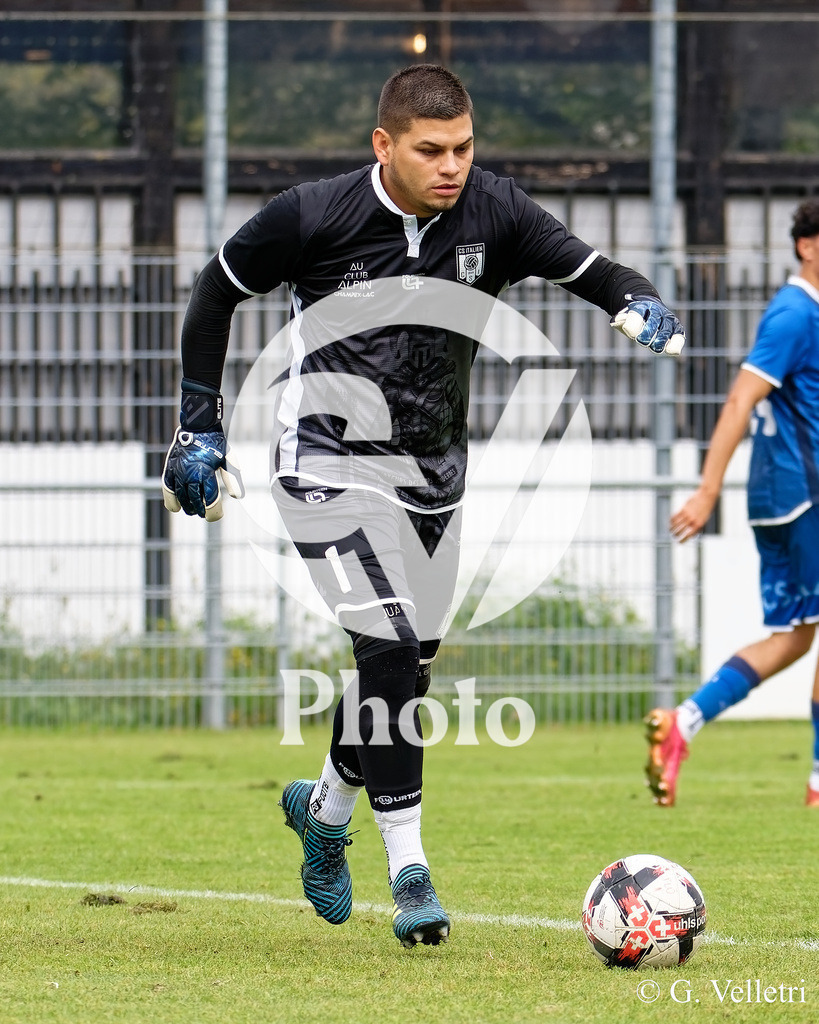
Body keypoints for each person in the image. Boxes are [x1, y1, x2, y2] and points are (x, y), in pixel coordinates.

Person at [161, 64, 686, 947]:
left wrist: (638, 300)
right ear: (384, 146)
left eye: (464, 147)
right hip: (322, 459)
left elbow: (590, 269)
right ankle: (409, 869)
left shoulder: (496, 211)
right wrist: (196, 426)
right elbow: (216, 291)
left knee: (400, 670)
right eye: (431, 150)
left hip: (434, 476)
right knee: (390, 644)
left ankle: (323, 814)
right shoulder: (310, 214)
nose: (453, 165)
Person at [646, 199, 819, 809]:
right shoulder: (795, 314)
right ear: (807, 245)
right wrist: (708, 488)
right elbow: (739, 401)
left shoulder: (808, 312)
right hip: (802, 497)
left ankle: (683, 725)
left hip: (793, 496)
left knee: (795, 637)